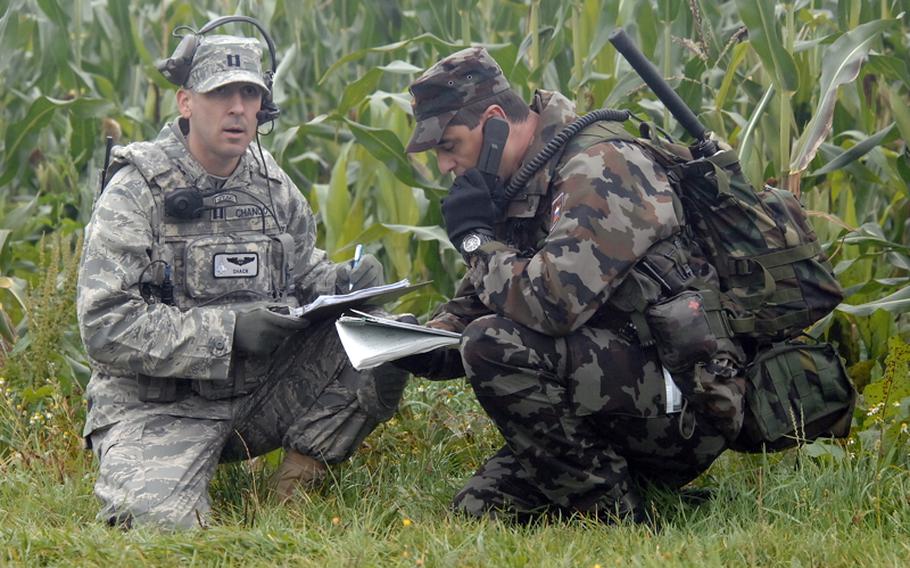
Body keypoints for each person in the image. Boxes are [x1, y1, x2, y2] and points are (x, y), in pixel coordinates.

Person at [76, 26, 408, 530]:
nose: (237, 108)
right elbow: (104, 325)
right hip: (159, 408)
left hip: (258, 395)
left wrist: (346, 282)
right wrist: (229, 332)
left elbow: (303, 273)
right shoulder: (136, 191)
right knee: (157, 529)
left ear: (262, 105)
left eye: (249, 93)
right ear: (187, 102)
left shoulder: (271, 184)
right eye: (220, 93)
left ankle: (294, 493)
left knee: (383, 335)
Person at [399, 47, 744, 523]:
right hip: (611, 391)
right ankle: (645, 491)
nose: (444, 167)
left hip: (685, 398)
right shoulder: (523, 181)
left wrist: (475, 239)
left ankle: (613, 517)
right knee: (481, 510)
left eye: (449, 146)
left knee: (491, 343)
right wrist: (415, 341)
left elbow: (550, 305)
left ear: (495, 121)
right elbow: (480, 302)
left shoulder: (600, 168)